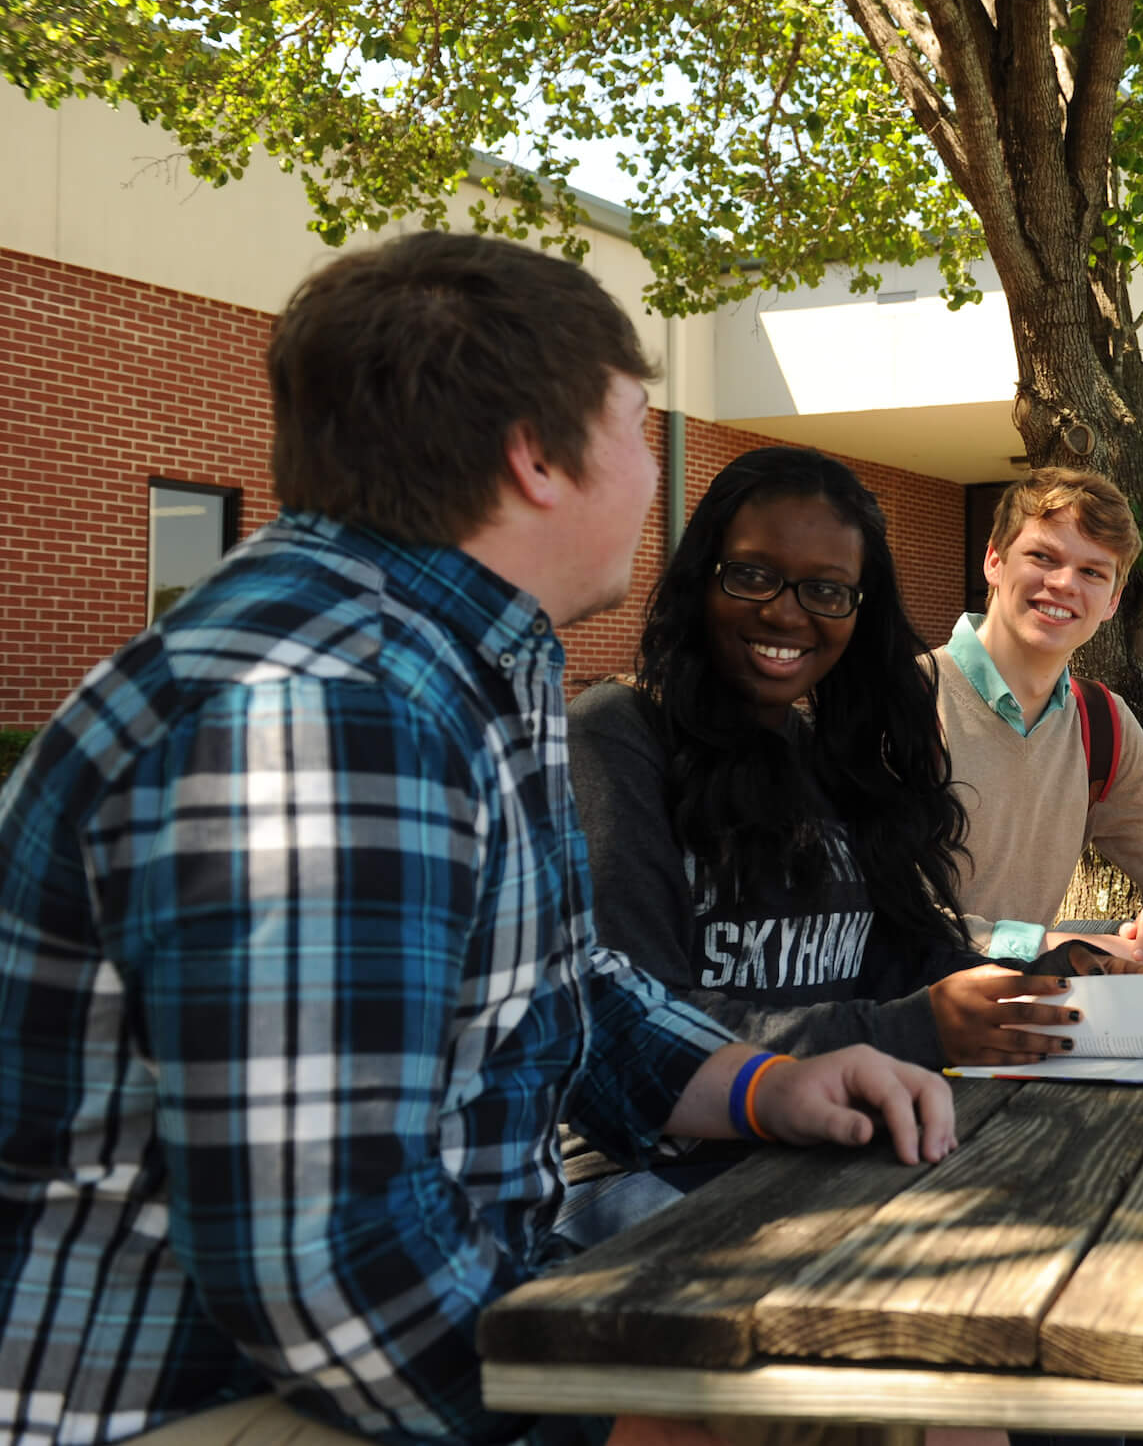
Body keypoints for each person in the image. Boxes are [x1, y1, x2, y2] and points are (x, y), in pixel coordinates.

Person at [0, 233, 953, 1446]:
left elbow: (562, 990)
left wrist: (768, 1084)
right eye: (633, 425)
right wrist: (614, 1417)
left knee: (908, 1393)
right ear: (536, 458)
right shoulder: (329, 709)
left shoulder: (443, 664)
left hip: (386, 1334)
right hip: (189, 1400)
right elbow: (324, 1258)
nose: (656, 473)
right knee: (867, 1409)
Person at [559, 447, 1109, 1245]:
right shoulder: (616, 739)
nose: (786, 613)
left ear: (860, 610)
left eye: (825, 590)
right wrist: (917, 1029)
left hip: (832, 1145)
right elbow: (638, 1017)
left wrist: (1035, 980)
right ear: (699, 578)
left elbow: (893, 964)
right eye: (751, 575)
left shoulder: (826, 756)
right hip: (642, 1182)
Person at [933, 468, 1143, 968]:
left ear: (1113, 601)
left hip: (1025, 1022)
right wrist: (1057, 948)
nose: (1064, 584)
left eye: (1094, 572)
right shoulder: (904, 703)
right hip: (886, 1026)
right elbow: (879, 920)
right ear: (994, 560)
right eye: (1043, 557)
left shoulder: (1103, 723)